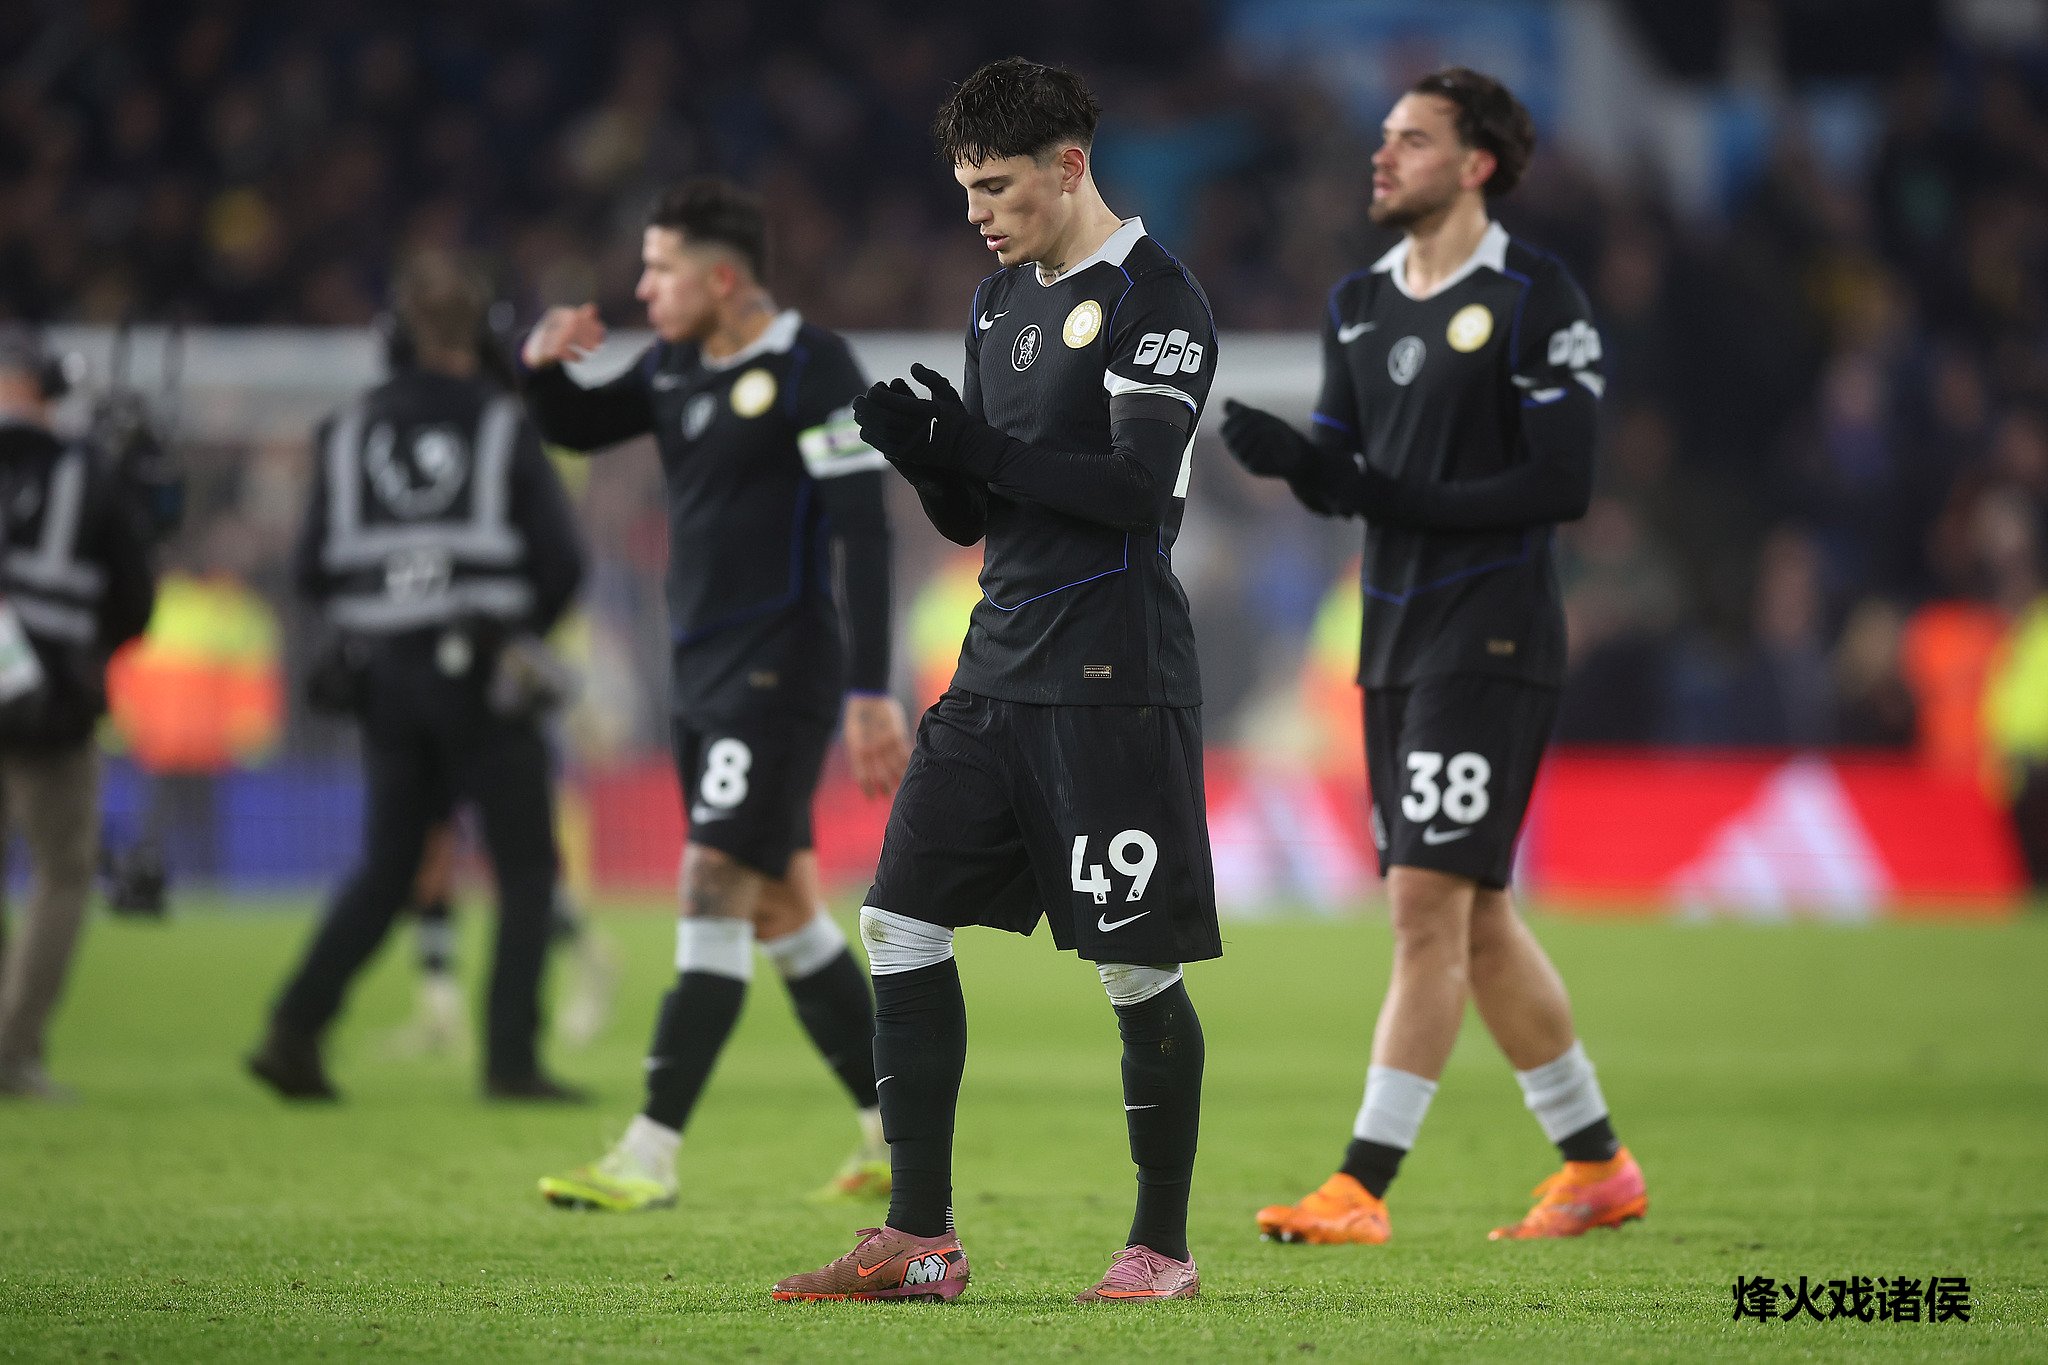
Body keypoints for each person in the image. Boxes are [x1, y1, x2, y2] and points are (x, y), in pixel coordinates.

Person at [772, 57, 1219, 1304]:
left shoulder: (1156, 298)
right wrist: (928, 461)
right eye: (965, 188)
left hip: (1113, 672)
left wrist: (976, 447)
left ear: (1067, 167)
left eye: (996, 186)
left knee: (1131, 966)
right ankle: (918, 1240)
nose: (975, 211)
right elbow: (980, 511)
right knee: (897, 919)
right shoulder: (995, 304)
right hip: (995, 665)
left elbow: (1133, 491)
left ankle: (1160, 1250)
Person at [1220, 67, 1645, 1244]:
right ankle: (1595, 1163)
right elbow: (1344, 475)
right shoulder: (1357, 303)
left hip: (1491, 632)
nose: (1382, 154)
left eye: (1410, 139)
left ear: (1475, 165)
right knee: (1475, 916)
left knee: (1420, 906)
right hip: (1392, 639)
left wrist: (1375, 490)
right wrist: (1292, 464)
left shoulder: (1533, 296)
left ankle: (1359, 1185)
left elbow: (1559, 481)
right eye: (1383, 137)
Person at [520, 177, 912, 1212]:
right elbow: (582, 423)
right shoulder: (673, 365)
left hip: (779, 673)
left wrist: (869, 688)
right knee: (785, 910)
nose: (644, 288)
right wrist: (541, 369)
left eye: (661, 269)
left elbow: (863, 531)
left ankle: (649, 1152)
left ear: (723, 277)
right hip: (697, 677)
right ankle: (894, 1134)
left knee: (710, 886)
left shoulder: (812, 367)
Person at [248, 251, 587, 1102]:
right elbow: (563, 562)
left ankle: (294, 1029)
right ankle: (510, 1060)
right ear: (486, 336)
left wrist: (383, 612)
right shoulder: (503, 424)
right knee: (526, 870)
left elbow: (310, 570)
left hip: (384, 679)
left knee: (389, 866)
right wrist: (517, 634)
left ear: (394, 336)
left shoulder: (346, 430)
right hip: (484, 675)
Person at [0, 325, 157, 1099]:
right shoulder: (86, 472)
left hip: (47, 696)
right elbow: (135, 600)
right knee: (63, 872)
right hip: (53, 704)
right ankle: (13, 1050)